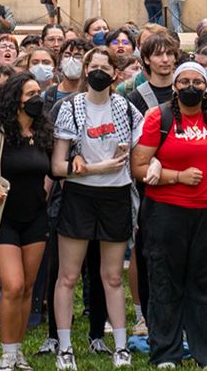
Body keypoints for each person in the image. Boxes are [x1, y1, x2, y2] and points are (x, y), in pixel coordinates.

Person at [129, 60, 207, 370]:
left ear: (206, 87)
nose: (191, 87)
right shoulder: (158, 117)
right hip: (166, 212)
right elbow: (138, 167)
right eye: (185, 81)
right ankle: (167, 352)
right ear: (175, 86)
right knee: (165, 280)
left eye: (198, 82)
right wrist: (176, 176)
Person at [50, 48, 141, 369]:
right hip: (80, 196)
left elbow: (142, 150)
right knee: (68, 276)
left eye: (106, 67)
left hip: (116, 196)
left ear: (115, 73)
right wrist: (95, 168)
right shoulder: (71, 107)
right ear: (86, 70)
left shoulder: (126, 109)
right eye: (94, 66)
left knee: (113, 277)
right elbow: (57, 167)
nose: (99, 72)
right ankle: (65, 348)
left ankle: (121, 347)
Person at [0, 72, 54, 371]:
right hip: (2, 218)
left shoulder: (44, 132)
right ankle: (6, 354)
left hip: (36, 217)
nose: (36, 98)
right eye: (30, 93)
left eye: (38, 92)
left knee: (28, 288)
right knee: (13, 285)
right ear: (15, 99)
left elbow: (54, 169)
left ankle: (18, 351)